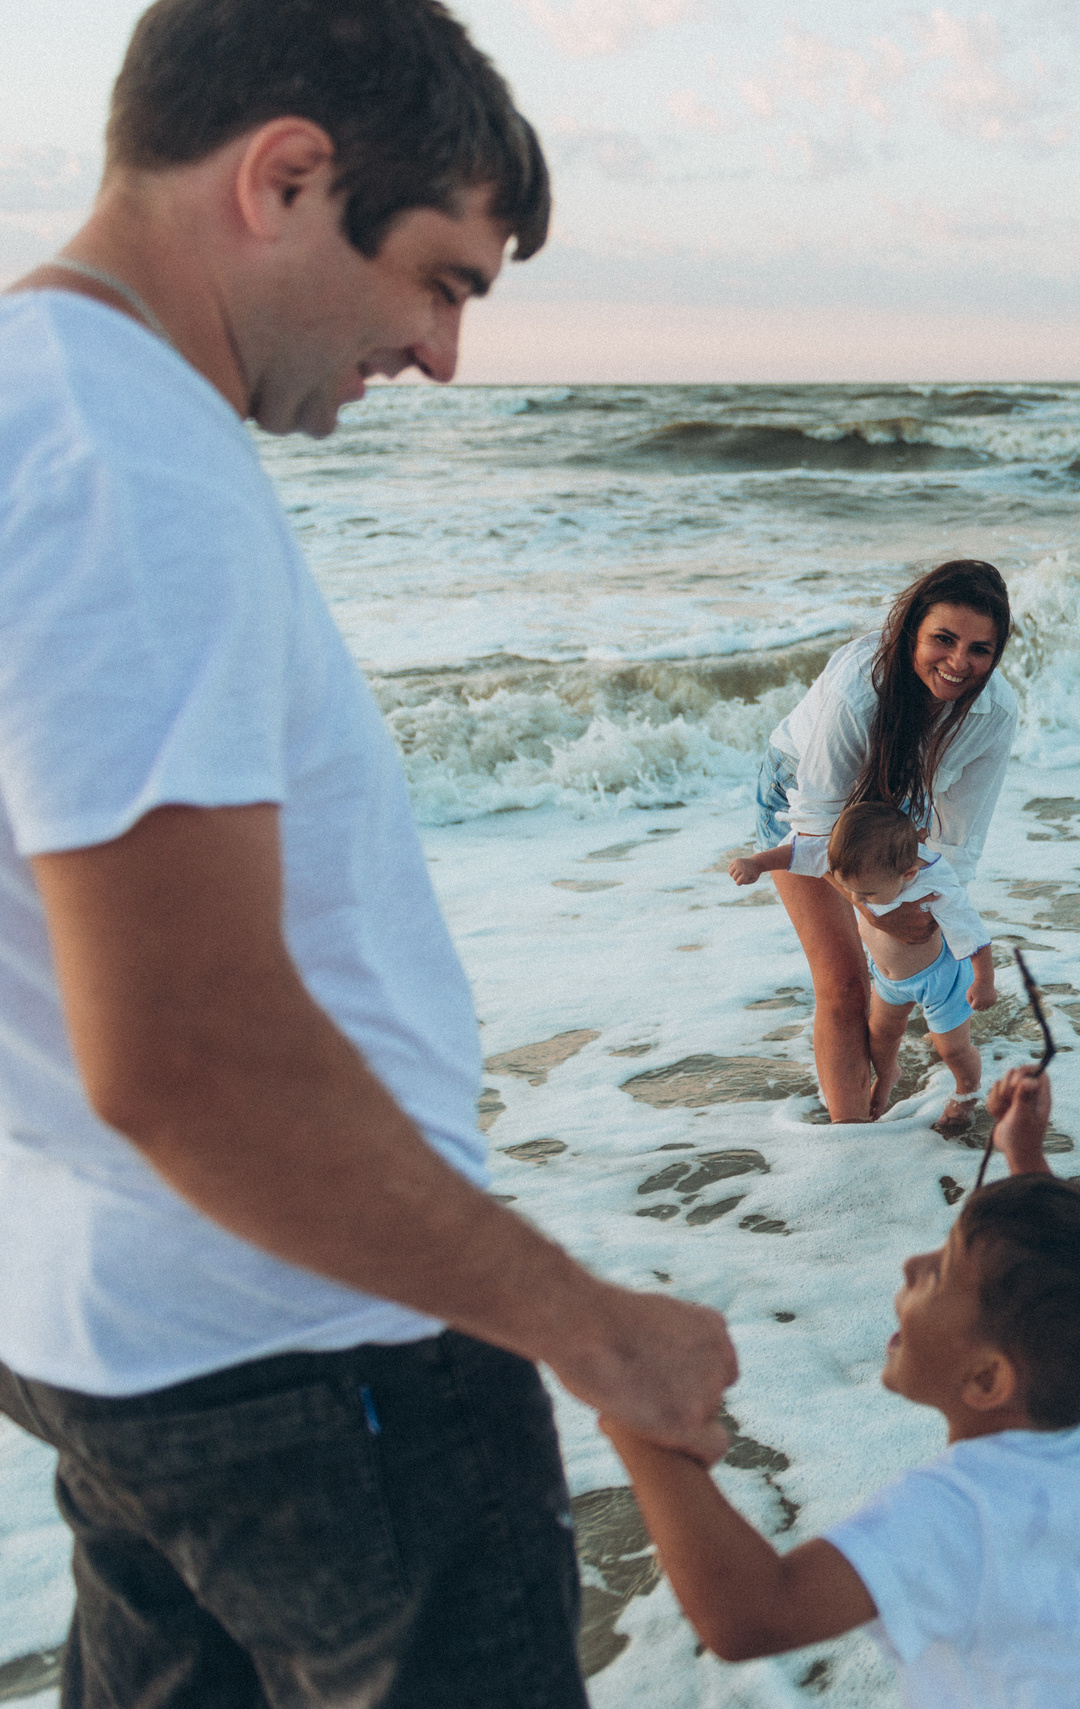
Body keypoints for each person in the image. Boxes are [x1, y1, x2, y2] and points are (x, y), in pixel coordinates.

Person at [0, 2, 735, 1701]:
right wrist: (586, 1323)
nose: (442, 352)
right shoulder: (124, 464)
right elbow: (192, 1056)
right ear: (287, 176)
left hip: (113, 1333)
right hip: (316, 1351)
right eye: (441, 279)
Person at [603, 1067, 1080, 1707]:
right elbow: (1067, 1294)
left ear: (988, 1377)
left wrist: (638, 1427)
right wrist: (1024, 1158)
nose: (910, 1262)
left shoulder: (958, 1516)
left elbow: (753, 1613)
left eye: (939, 1273)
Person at [754, 560, 1018, 1123]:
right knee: (845, 984)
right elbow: (816, 828)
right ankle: (852, 1150)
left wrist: (929, 919)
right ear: (910, 632)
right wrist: (871, 909)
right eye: (942, 640)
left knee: (900, 966)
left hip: (895, 813)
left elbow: (957, 842)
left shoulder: (994, 712)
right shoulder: (860, 689)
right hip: (804, 803)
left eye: (980, 649)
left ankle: (890, 1068)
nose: (958, 663)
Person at [732, 802, 998, 1126]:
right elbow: (796, 852)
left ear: (908, 874)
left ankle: (965, 1093)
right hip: (890, 983)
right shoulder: (859, 862)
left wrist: (983, 981)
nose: (858, 901)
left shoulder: (935, 881)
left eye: (868, 894)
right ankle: (888, 1076)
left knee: (952, 1049)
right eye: (850, 890)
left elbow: (973, 933)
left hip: (941, 980)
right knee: (880, 1037)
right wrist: (756, 863)